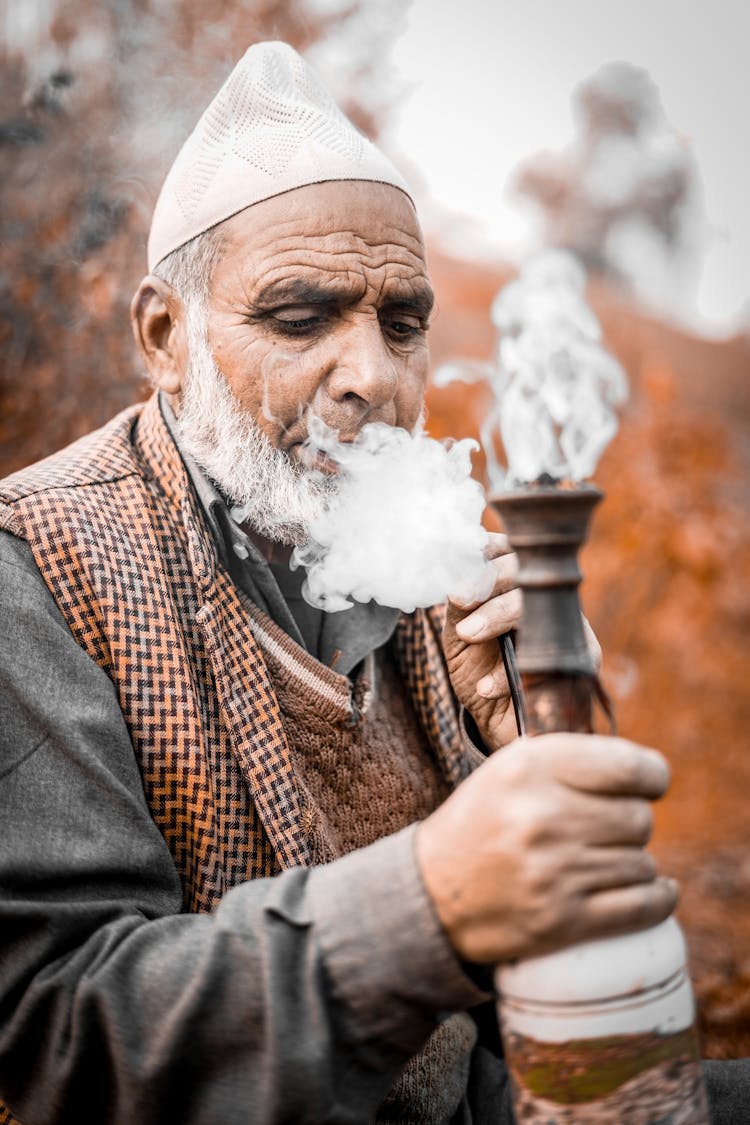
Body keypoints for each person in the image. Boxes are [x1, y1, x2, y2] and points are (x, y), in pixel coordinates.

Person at [0, 40, 741, 1125]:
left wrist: (538, 740)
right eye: (301, 319)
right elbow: (67, 1033)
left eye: (403, 324)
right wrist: (433, 898)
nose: (377, 380)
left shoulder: (424, 562)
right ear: (166, 336)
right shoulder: (35, 566)